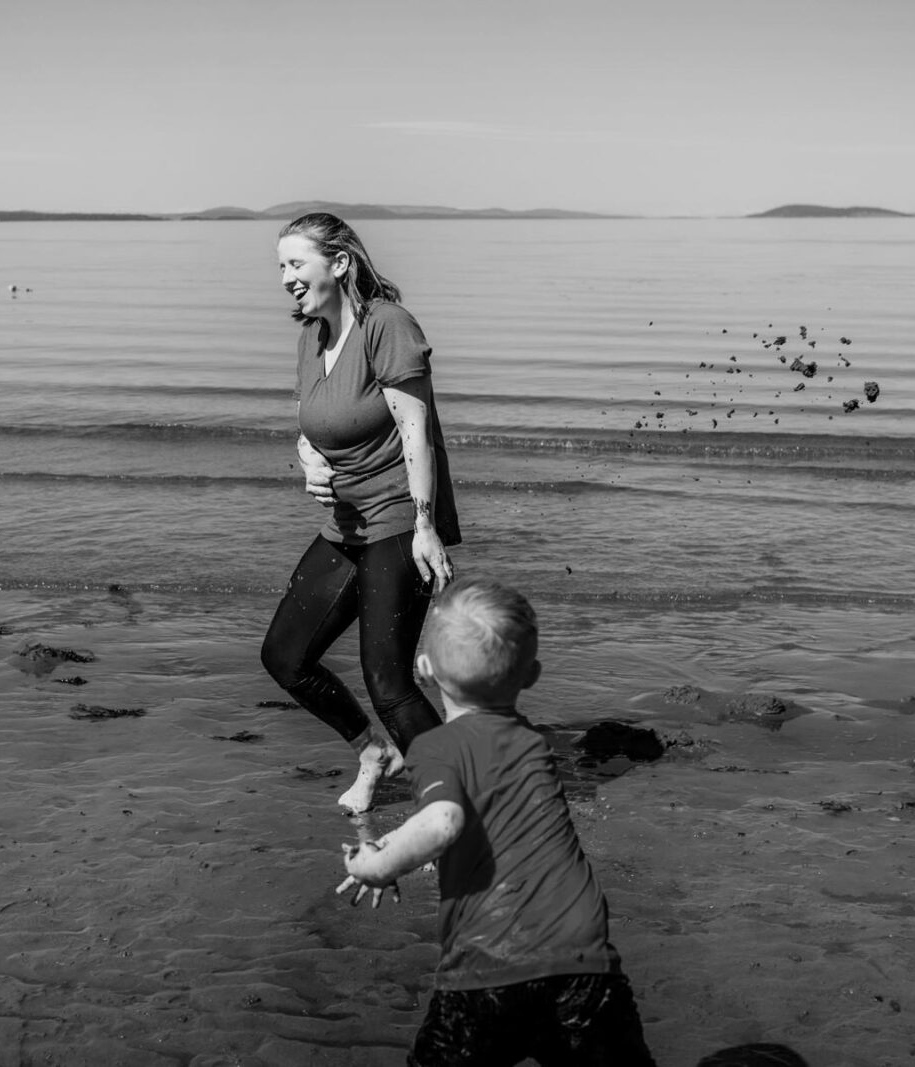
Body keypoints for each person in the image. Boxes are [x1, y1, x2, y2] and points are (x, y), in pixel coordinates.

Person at [336, 577, 657, 1067]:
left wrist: (380, 863)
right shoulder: (534, 745)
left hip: (488, 964)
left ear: (423, 670)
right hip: (583, 961)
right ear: (531, 675)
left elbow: (443, 821)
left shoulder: (436, 747)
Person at [261, 212, 460, 815]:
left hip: (398, 518)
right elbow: (310, 427)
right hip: (345, 524)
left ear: (339, 263)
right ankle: (374, 753)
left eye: (297, 264)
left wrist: (426, 526)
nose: (287, 278)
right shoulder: (312, 336)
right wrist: (308, 463)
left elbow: (415, 430)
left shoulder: (388, 326)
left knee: (390, 682)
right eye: (281, 267)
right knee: (286, 658)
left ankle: (458, 809)